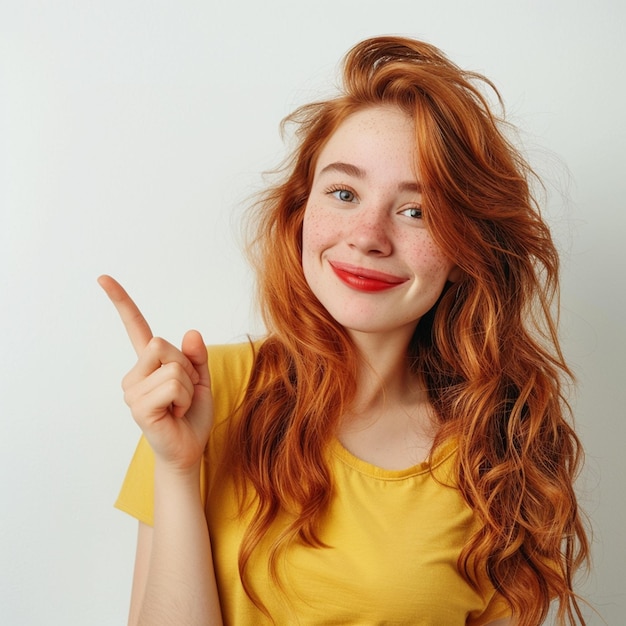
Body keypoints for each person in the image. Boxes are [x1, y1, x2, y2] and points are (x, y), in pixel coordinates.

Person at [100, 36, 590, 626]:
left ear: (466, 248)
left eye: (417, 211)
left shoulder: (503, 452)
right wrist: (179, 471)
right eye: (343, 192)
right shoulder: (205, 392)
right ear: (301, 211)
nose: (367, 235)